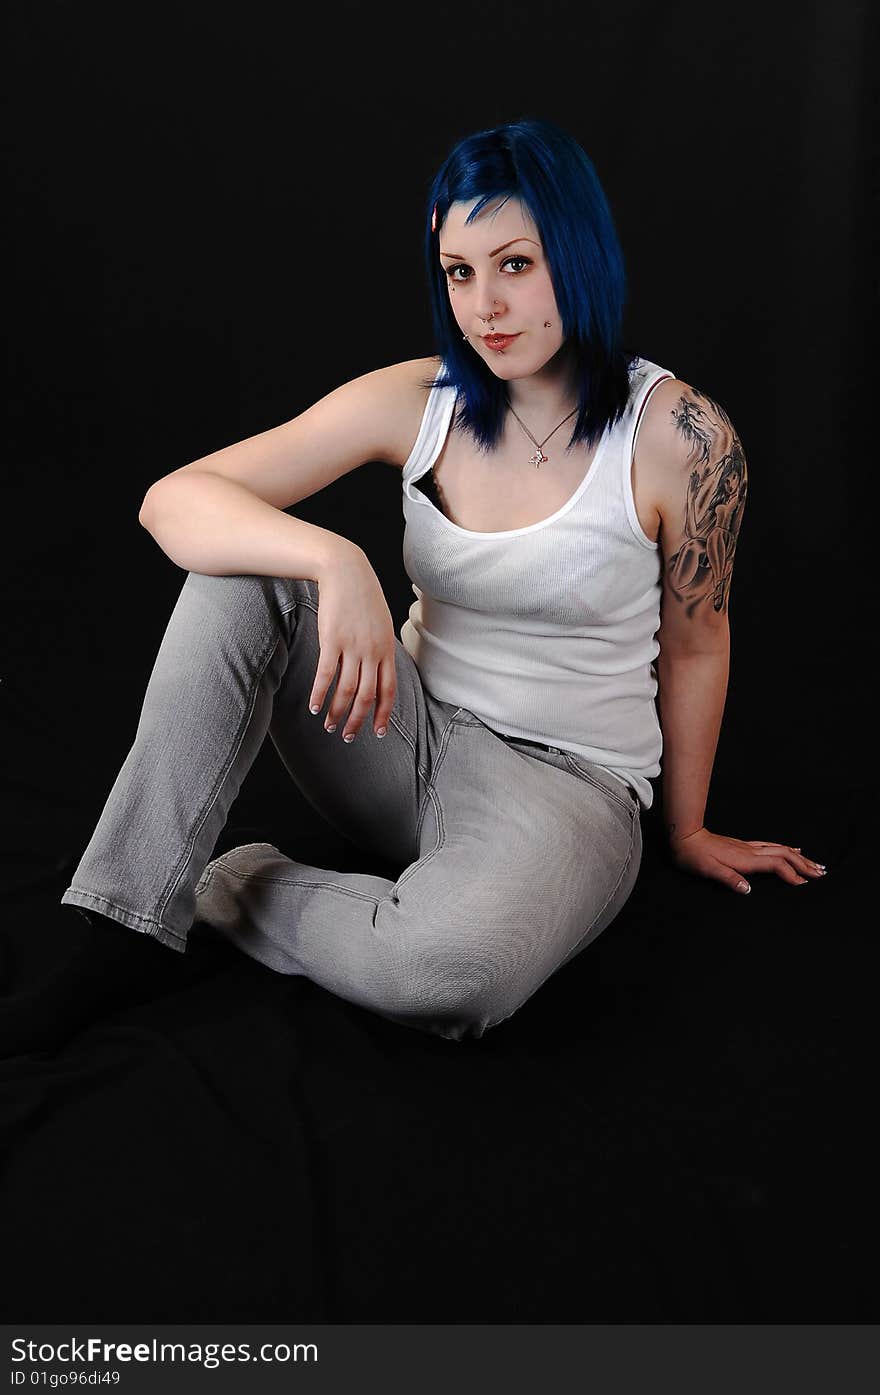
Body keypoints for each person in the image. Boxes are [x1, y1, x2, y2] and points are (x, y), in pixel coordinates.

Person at [4, 117, 827, 1058]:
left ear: (578, 251)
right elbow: (172, 500)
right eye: (459, 271)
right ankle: (124, 924)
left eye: (515, 264)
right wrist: (333, 559)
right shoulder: (422, 400)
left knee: (450, 974)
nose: (487, 307)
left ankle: (229, 885)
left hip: (568, 791)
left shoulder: (682, 439)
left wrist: (686, 829)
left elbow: (697, 642)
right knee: (242, 572)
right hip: (402, 734)